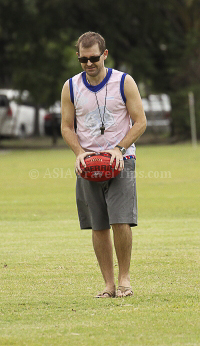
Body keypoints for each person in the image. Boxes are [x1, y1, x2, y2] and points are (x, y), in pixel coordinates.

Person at [61, 32, 146, 298]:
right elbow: (66, 126)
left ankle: (124, 281)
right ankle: (108, 285)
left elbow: (140, 121)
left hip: (121, 160)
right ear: (78, 57)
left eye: (94, 58)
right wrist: (79, 153)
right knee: (98, 225)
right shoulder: (71, 87)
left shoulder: (124, 81)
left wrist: (119, 149)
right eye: (83, 59)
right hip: (87, 165)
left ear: (104, 55)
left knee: (120, 222)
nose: (89, 64)